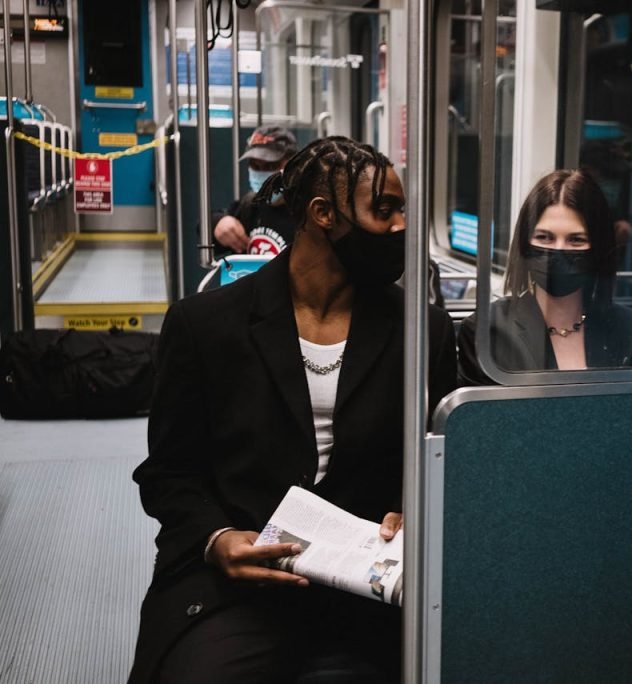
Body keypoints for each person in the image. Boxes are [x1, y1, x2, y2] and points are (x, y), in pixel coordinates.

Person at [130, 136, 457, 683]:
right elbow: (169, 473)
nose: (402, 225)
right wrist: (217, 540)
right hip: (240, 580)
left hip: (364, 584)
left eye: (403, 209)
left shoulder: (420, 331)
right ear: (323, 214)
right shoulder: (206, 326)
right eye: (383, 210)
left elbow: (437, 460)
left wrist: (409, 508)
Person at [457, 169, 632, 384]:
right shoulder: (486, 332)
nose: (558, 251)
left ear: (599, 248)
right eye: (544, 237)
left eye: (576, 240)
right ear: (524, 244)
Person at [212, 125, 299, 256]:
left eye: (270, 165)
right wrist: (218, 223)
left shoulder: (305, 215)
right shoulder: (250, 206)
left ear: (293, 165)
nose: (261, 172)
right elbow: (204, 229)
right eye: (254, 165)